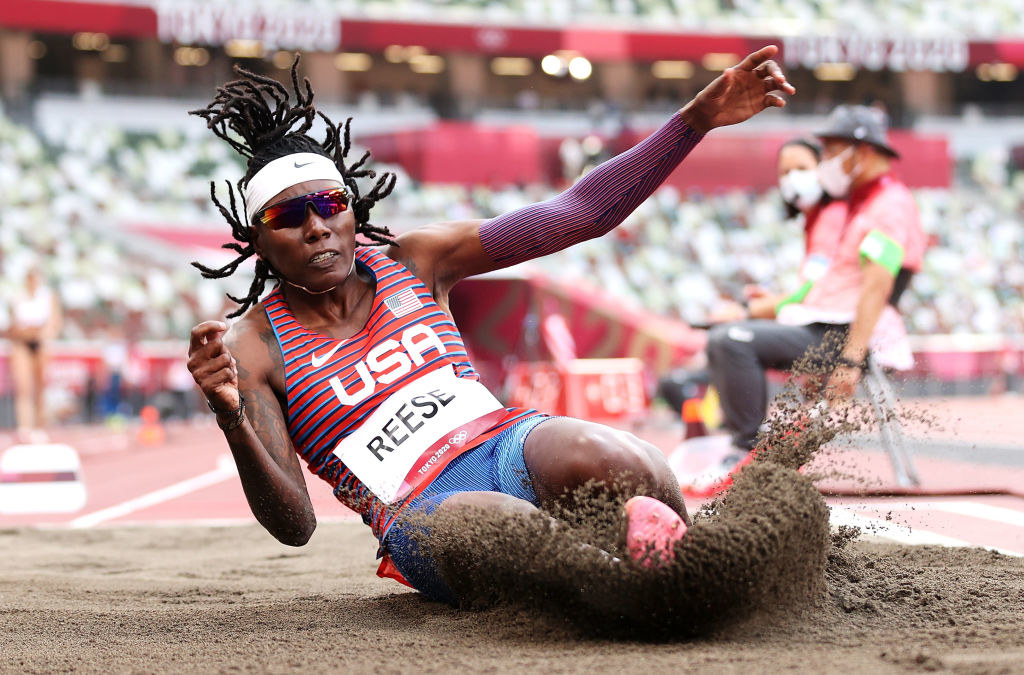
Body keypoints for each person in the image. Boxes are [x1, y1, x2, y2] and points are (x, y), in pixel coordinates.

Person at [186, 47, 794, 604]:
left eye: (331, 203)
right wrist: (231, 415)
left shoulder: (416, 259)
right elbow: (295, 526)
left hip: (508, 442)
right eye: (289, 216)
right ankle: (641, 595)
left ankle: (691, 562)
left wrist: (692, 122)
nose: (317, 227)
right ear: (258, 242)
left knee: (624, 459)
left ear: (352, 209)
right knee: (498, 521)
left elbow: (578, 213)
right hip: (419, 511)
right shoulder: (252, 346)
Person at [684, 105, 926, 494]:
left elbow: (876, 287)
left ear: (861, 151)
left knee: (730, 340)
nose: (824, 163)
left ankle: (745, 452)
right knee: (732, 338)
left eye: (830, 152)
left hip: (844, 334)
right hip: (827, 325)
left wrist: (850, 359)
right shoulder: (861, 203)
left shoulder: (889, 205)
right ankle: (753, 450)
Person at [5, 265, 62, 443]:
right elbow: (12, 324)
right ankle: (24, 427)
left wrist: (43, 334)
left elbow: (54, 322)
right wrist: (24, 332)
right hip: (22, 343)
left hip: (40, 343)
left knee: (40, 386)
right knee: (23, 386)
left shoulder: (47, 296)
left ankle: (39, 426)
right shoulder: (18, 297)